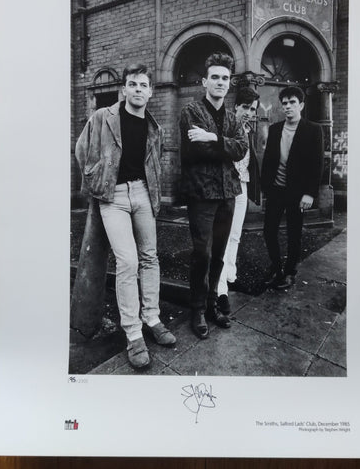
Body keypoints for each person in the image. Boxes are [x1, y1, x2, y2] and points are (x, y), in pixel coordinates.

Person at [75, 63, 176, 369]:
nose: (137, 90)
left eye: (143, 85)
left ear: (150, 91)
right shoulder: (104, 117)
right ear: (124, 89)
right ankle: (133, 334)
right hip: (114, 197)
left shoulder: (152, 125)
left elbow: (153, 160)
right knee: (128, 261)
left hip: (143, 193)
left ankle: (153, 319)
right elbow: (82, 149)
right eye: (132, 84)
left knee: (149, 257)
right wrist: (97, 179)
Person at [180, 52, 248, 339]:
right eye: (215, 77)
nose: (220, 82)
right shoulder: (191, 112)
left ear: (230, 84)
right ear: (205, 81)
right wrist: (221, 144)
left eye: (225, 78)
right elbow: (198, 149)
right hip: (202, 194)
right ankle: (196, 310)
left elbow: (242, 148)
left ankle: (210, 305)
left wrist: (214, 138)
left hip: (228, 193)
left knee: (219, 254)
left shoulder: (233, 118)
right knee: (202, 254)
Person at [261, 85, 324, 289]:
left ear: (301, 105)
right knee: (269, 230)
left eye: (292, 103)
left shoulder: (313, 130)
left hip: (298, 193)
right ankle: (277, 267)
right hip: (276, 190)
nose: (288, 107)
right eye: (285, 103)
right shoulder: (275, 129)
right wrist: (265, 188)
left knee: (293, 233)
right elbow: (269, 161)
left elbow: (317, 163)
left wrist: (309, 193)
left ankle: (289, 272)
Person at [216, 86, 261, 315]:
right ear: (236, 106)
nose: (249, 113)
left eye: (253, 109)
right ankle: (220, 289)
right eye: (245, 107)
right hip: (227, 188)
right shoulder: (226, 126)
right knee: (223, 238)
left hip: (242, 187)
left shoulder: (248, 129)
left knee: (235, 235)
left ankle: (231, 276)